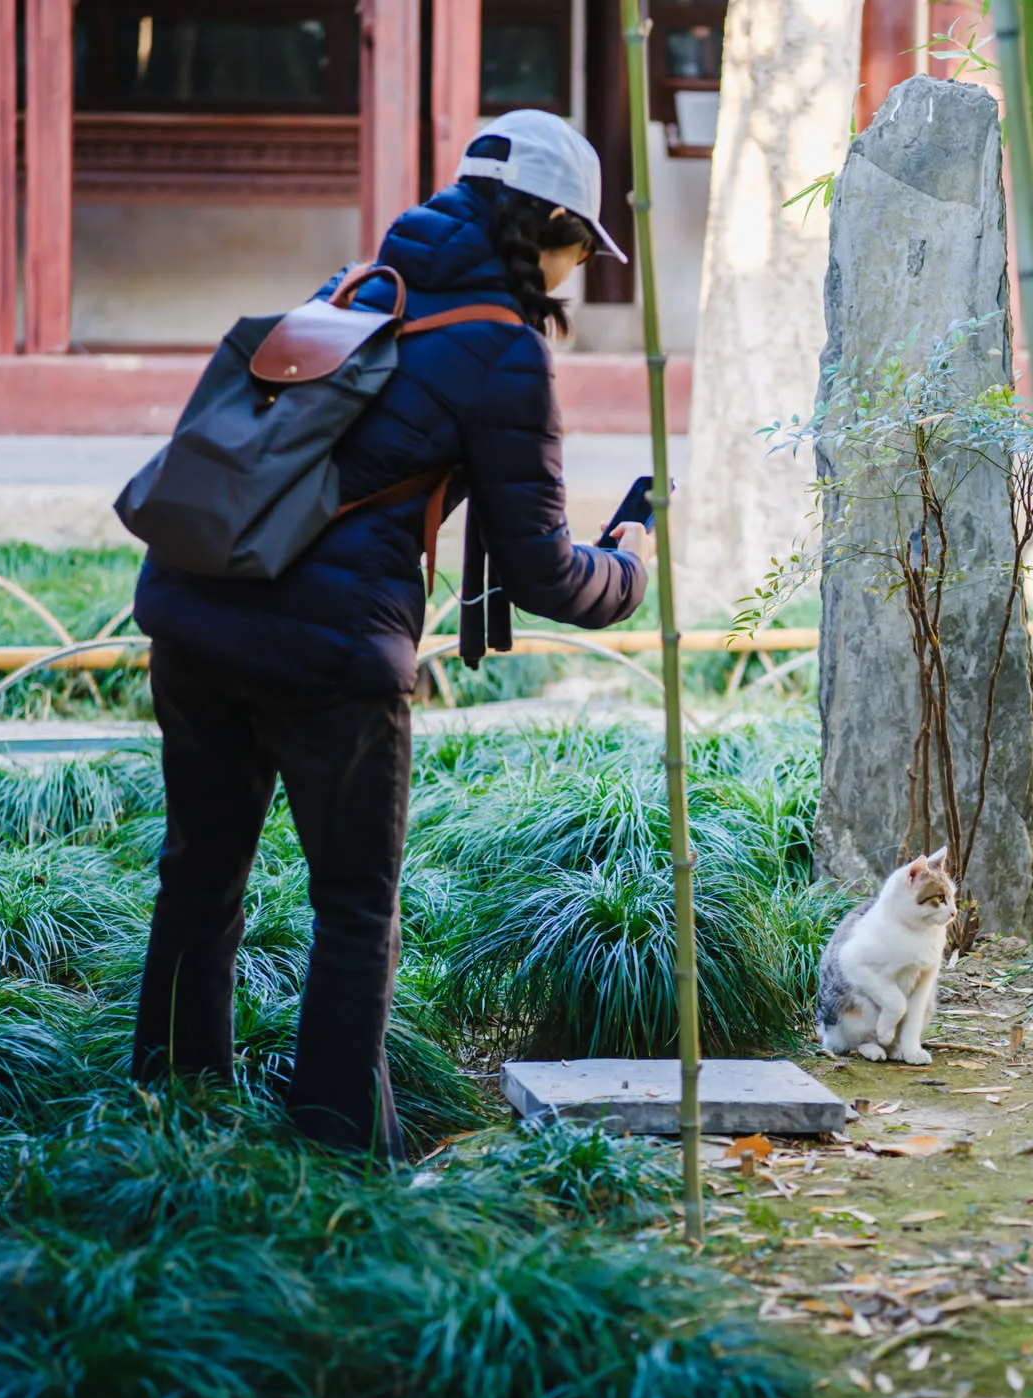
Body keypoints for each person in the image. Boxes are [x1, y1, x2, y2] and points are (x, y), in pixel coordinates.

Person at [129, 110, 654, 1156]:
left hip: (194, 615)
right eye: (576, 246)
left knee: (198, 878)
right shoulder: (500, 351)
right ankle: (336, 1156)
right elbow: (547, 572)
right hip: (329, 658)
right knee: (356, 907)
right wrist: (631, 562)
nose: (575, 271)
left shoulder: (356, 287)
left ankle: (173, 1121)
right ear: (543, 224)